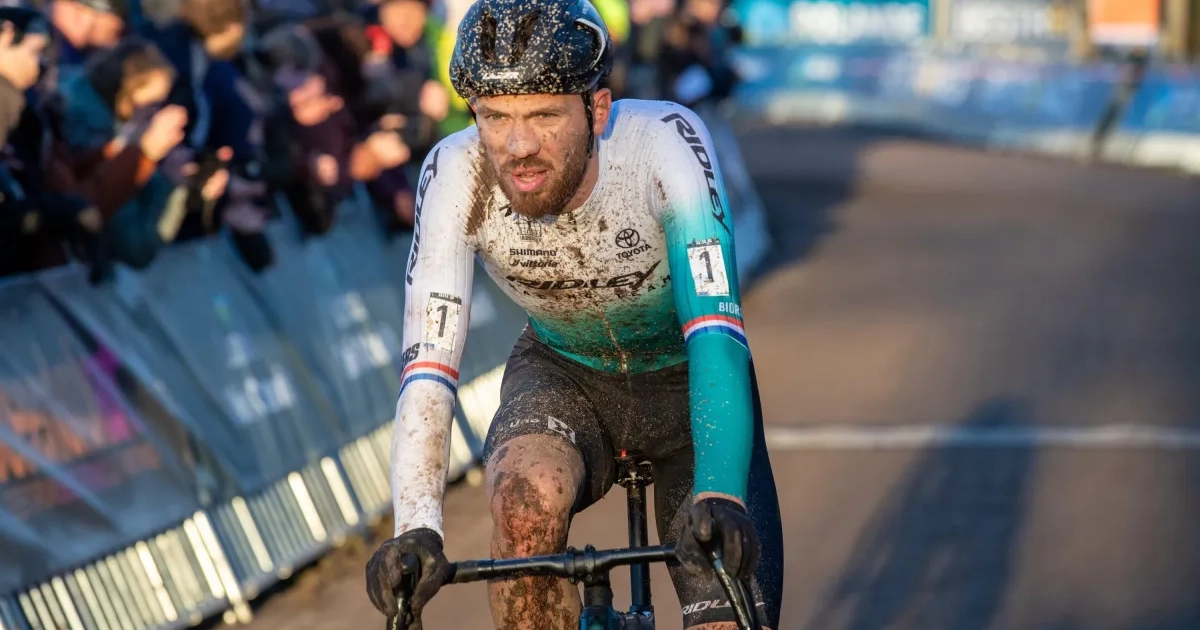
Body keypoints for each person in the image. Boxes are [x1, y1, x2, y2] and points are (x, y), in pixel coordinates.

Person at [363, 0, 783, 628]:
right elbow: (428, 367)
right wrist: (416, 528)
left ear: (598, 109)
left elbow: (716, 333)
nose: (519, 145)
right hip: (565, 372)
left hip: (686, 380)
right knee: (522, 504)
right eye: (495, 117)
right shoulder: (455, 172)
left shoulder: (664, 144)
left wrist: (720, 493)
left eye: (544, 115)